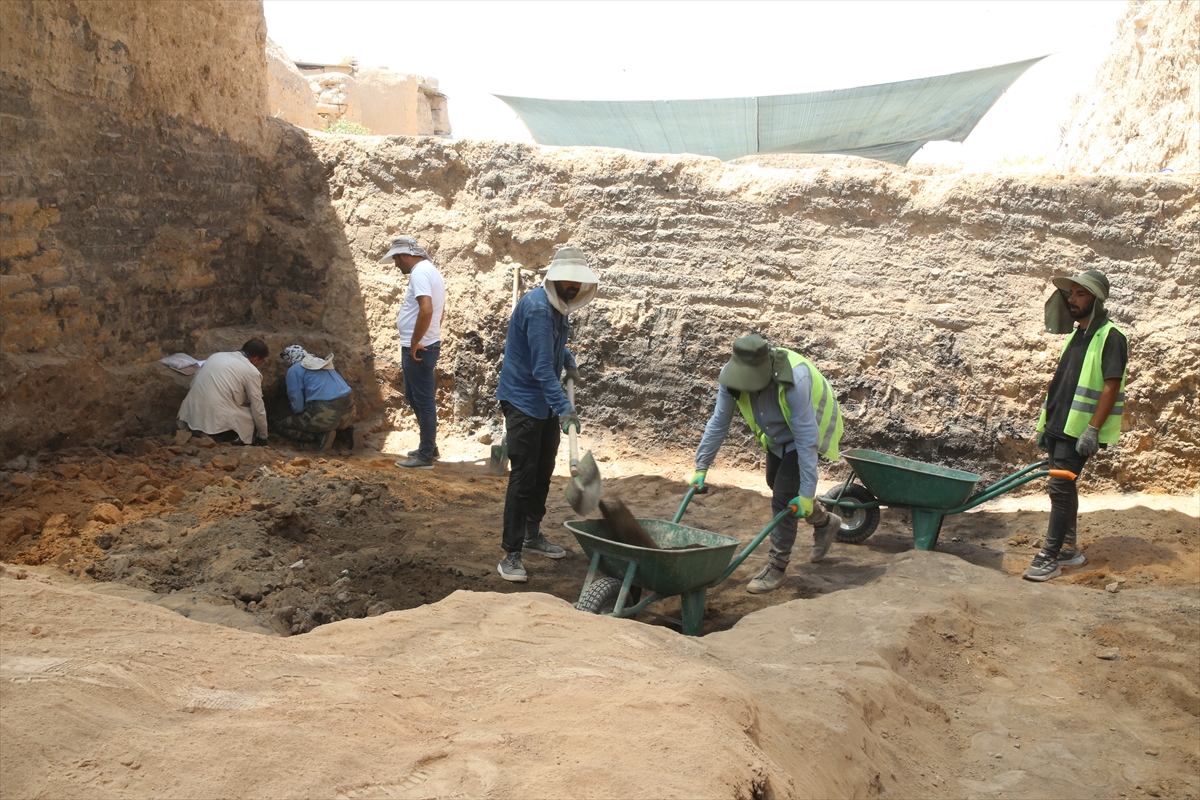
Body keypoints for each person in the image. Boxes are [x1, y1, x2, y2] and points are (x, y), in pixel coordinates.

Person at [692, 334, 844, 594]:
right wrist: (701, 467)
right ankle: (824, 522)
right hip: (777, 435)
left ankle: (778, 565)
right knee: (776, 484)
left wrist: (807, 494)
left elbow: (807, 438)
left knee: (786, 495)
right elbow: (719, 422)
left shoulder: (795, 378)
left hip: (810, 428)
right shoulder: (730, 376)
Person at [494, 246, 597, 582]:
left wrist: (567, 358)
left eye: (578, 282)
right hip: (524, 400)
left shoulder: (557, 306)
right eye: (569, 280)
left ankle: (532, 533)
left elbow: (551, 346)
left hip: (545, 401)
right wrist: (565, 408)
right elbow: (540, 368)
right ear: (555, 278)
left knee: (543, 471)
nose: (573, 286)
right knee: (524, 476)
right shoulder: (538, 309)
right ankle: (511, 554)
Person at [1025, 269, 1129, 581]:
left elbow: (1112, 385)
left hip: (1078, 431)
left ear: (1096, 300)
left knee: (1059, 486)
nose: (1072, 299)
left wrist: (1093, 430)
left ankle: (1050, 557)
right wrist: (1045, 426)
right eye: (1071, 293)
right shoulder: (1076, 334)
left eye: (1080, 294)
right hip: (1059, 425)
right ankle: (1068, 548)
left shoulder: (1111, 337)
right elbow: (1064, 385)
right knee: (1063, 488)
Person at [380, 237, 446, 469]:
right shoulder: (431, 271)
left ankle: (426, 456)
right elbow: (440, 312)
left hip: (418, 347)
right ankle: (429, 447)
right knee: (412, 395)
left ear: (404, 256)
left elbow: (427, 310)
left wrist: (416, 341)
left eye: (396, 259)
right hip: (423, 345)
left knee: (424, 401)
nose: (396, 265)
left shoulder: (419, 273)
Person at [177, 338, 269, 446]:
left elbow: (193, 384)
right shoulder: (251, 371)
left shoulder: (216, 356)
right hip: (215, 414)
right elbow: (257, 406)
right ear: (255, 359)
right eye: (260, 362)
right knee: (250, 417)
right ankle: (224, 437)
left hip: (190, 412)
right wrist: (263, 436)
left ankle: (200, 431)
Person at [272, 345, 358, 452]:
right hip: (350, 412)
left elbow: (298, 407)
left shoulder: (293, 370)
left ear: (290, 360)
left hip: (324, 413)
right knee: (332, 422)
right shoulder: (321, 363)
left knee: (282, 426)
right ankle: (347, 433)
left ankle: (320, 437)